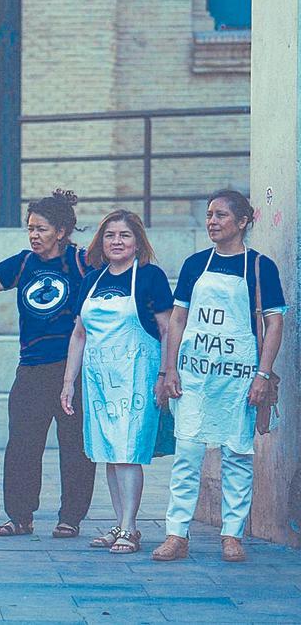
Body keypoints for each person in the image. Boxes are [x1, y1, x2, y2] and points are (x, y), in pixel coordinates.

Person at [153, 190, 286, 563]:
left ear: (242, 221)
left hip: (240, 378)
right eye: (209, 215)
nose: (212, 221)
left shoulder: (261, 267)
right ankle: (176, 534)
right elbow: (178, 319)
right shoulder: (195, 264)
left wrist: (262, 373)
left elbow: (274, 323)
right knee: (187, 454)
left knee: (238, 454)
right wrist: (171, 368)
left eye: (221, 215)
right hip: (195, 377)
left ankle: (232, 534)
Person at [0, 190, 96, 539]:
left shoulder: (83, 263)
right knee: (23, 444)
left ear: (62, 231)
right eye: (30, 229)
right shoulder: (25, 262)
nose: (34, 235)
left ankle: (71, 517)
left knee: (75, 447)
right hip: (32, 368)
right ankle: (19, 516)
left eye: (41, 229)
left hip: (73, 370)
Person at [60, 209, 173, 555]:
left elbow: (168, 328)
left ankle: (130, 527)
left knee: (128, 451)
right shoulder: (91, 279)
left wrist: (165, 374)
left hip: (138, 375)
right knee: (109, 452)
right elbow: (79, 334)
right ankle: (119, 522)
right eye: (110, 235)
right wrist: (68, 382)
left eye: (124, 235)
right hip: (99, 378)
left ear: (138, 241)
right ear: (101, 241)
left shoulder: (151, 277)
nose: (116, 242)